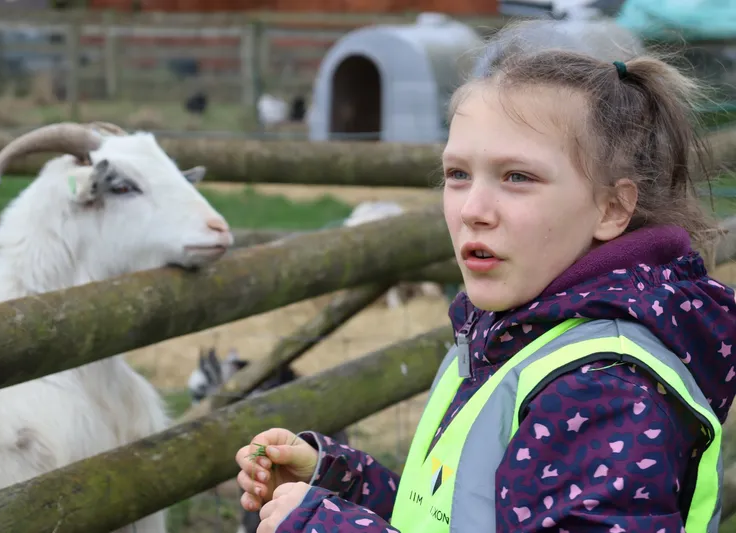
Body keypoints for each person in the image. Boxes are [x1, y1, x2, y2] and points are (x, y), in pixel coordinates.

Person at [233, 22, 736, 533]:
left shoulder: (602, 391)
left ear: (611, 209)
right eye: (457, 175)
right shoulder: (508, 336)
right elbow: (472, 513)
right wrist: (340, 483)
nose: (473, 209)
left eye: (518, 177)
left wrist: (325, 527)